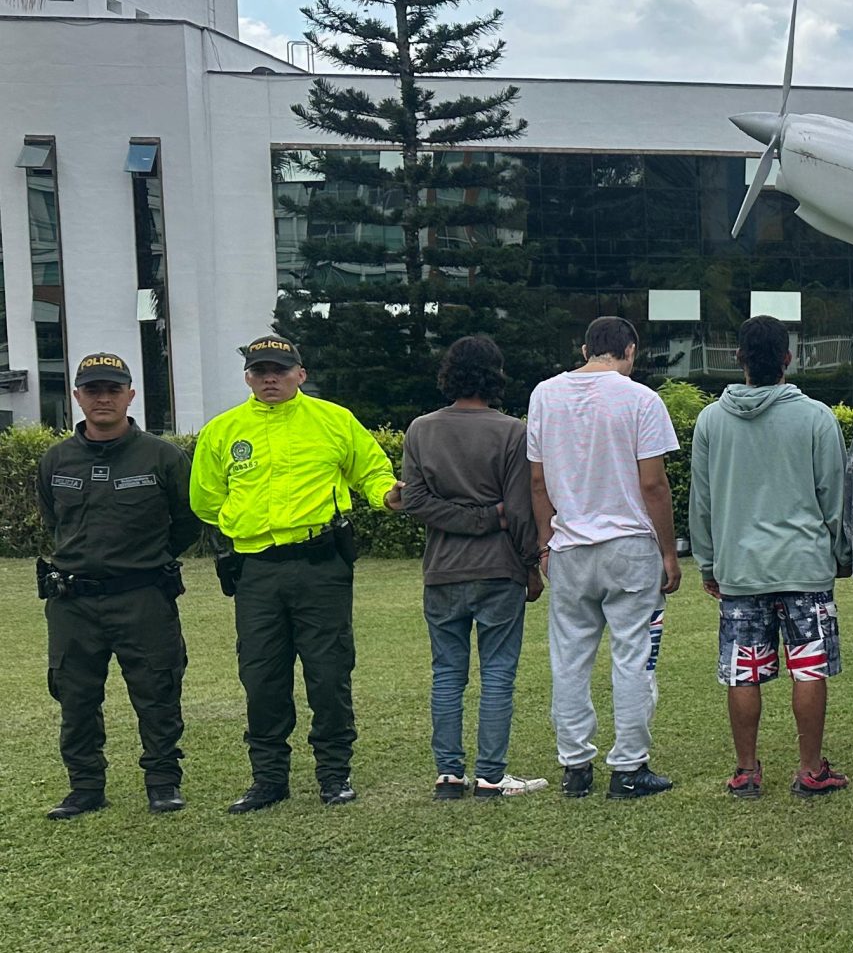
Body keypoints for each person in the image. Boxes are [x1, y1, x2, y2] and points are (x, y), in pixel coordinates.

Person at [191, 335, 399, 812]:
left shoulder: (333, 420)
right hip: (256, 570)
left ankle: (334, 774)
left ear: (300, 374)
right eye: (260, 370)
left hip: (319, 565)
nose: (270, 378)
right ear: (247, 377)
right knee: (261, 675)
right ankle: (268, 779)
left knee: (328, 673)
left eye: (280, 371)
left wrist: (387, 494)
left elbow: (371, 470)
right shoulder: (223, 430)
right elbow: (205, 498)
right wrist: (246, 524)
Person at [688, 316, 850, 801]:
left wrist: (709, 563)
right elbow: (833, 498)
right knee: (809, 666)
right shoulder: (817, 417)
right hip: (804, 566)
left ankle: (746, 771)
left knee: (744, 670)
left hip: (740, 568)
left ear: (738, 358)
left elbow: (703, 501)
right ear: (788, 359)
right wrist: (839, 555)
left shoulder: (711, 421)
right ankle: (808, 770)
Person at [38, 352, 199, 818]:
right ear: (77, 397)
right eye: (92, 390)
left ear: (131, 395)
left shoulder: (162, 456)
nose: (103, 398)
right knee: (75, 695)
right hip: (72, 601)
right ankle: (85, 787)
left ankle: (162, 781)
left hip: (142, 595)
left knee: (157, 689)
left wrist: (146, 561)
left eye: (113, 389)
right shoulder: (56, 458)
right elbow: (53, 517)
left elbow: (186, 522)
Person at [527, 316, 680, 800]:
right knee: (632, 657)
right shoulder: (641, 399)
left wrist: (544, 544)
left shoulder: (544, 395)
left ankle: (575, 766)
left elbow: (537, 480)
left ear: (585, 348)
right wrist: (669, 552)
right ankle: (629, 766)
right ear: (630, 351)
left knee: (569, 659)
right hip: (630, 544)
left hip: (569, 544)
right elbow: (653, 484)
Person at [403, 335, 546, 801]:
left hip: (442, 569)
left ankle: (448, 773)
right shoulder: (511, 432)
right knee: (498, 673)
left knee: (447, 672)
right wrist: (527, 560)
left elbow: (415, 500)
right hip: (499, 568)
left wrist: (463, 519)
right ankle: (489, 774)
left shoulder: (420, 429)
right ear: (495, 375)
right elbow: (521, 511)